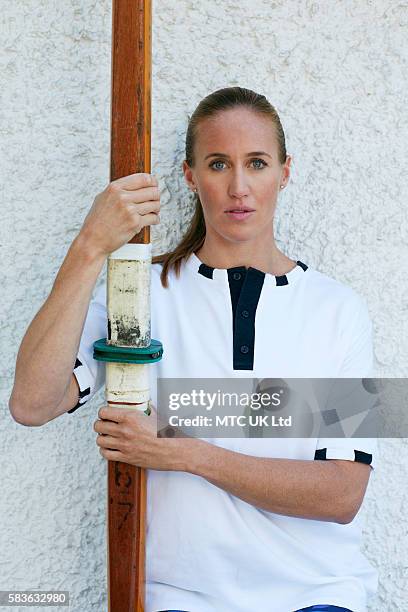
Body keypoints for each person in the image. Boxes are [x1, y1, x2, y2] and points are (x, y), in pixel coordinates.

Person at [10, 86, 378, 612]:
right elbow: (31, 402)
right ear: (189, 175)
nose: (238, 186)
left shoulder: (341, 309)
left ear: (285, 171)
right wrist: (91, 246)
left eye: (257, 163)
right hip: (179, 599)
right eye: (217, 164)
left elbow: (343, 495)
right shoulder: (140, 293)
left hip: (317, 595)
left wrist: (180, 452)